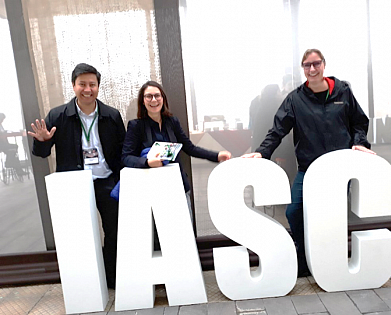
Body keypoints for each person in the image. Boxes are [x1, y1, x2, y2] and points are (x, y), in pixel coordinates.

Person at [242, 49, 375, 277]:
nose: (312, 69)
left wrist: (359, 142)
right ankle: (303, 257)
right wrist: (262, 152)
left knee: (333, 215)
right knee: (294, 211)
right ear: (303, 69)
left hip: (339, 169)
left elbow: (359, 122)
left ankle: (330, 260)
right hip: (308, 168)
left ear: (324, 65)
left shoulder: (343, 92)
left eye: (316, 64)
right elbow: (277, 130)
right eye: (307, 65)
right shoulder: (295, 99)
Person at [28, 63, 126, 288]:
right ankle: (87, 281)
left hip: (107, 182)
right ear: (73, 86)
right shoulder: (58, 115)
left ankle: (111, 277)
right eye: (82, 84)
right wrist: (42, 141)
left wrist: (122, 179)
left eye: (92, 84)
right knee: (79, 236)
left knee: (114, 230)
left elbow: (122, 151)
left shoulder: (111, 115)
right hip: (75, 185)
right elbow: (41, 154)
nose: (87, 89)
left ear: (98, 87)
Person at [121, 80, 231, 221]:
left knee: (185, 230)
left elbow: (189, 148)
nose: (153, 100)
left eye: (157, 95)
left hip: (177, 185)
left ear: (163, 99)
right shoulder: (136, 126)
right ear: (143, 101)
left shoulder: (172, 122)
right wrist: (147, 162)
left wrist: (216, 156)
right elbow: (126, 157)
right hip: (153, 188)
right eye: (148, 96)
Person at [0, 113, 26, 180]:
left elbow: (3, 132)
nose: (2, 121)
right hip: (2, 145)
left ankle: (18, 169)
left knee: (14, 151)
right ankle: (9, 162)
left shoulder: (1, 125)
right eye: (2, 119)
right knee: (13, 149)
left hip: (5, 144)